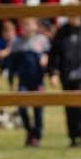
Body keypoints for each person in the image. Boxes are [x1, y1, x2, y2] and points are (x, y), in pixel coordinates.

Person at [48, 10, 81, 148]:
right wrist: (53, 73)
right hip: (66, 73)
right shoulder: (61, 32)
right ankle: (73, 137)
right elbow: (54, 54)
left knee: (80, 105)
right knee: (69, 105)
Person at [8, 17, 50, 147]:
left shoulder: (42, 41)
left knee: (38, 111)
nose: (28, 27)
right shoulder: (17, 43)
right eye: (25, 24)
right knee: (22, 107)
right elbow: (12, 65)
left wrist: (46, 59)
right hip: (23, 81)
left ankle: (37, 137)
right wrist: (10, 81)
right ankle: (29, 131)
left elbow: (51, 56)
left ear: (36, 25)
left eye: (31, 24)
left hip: (38, 81)